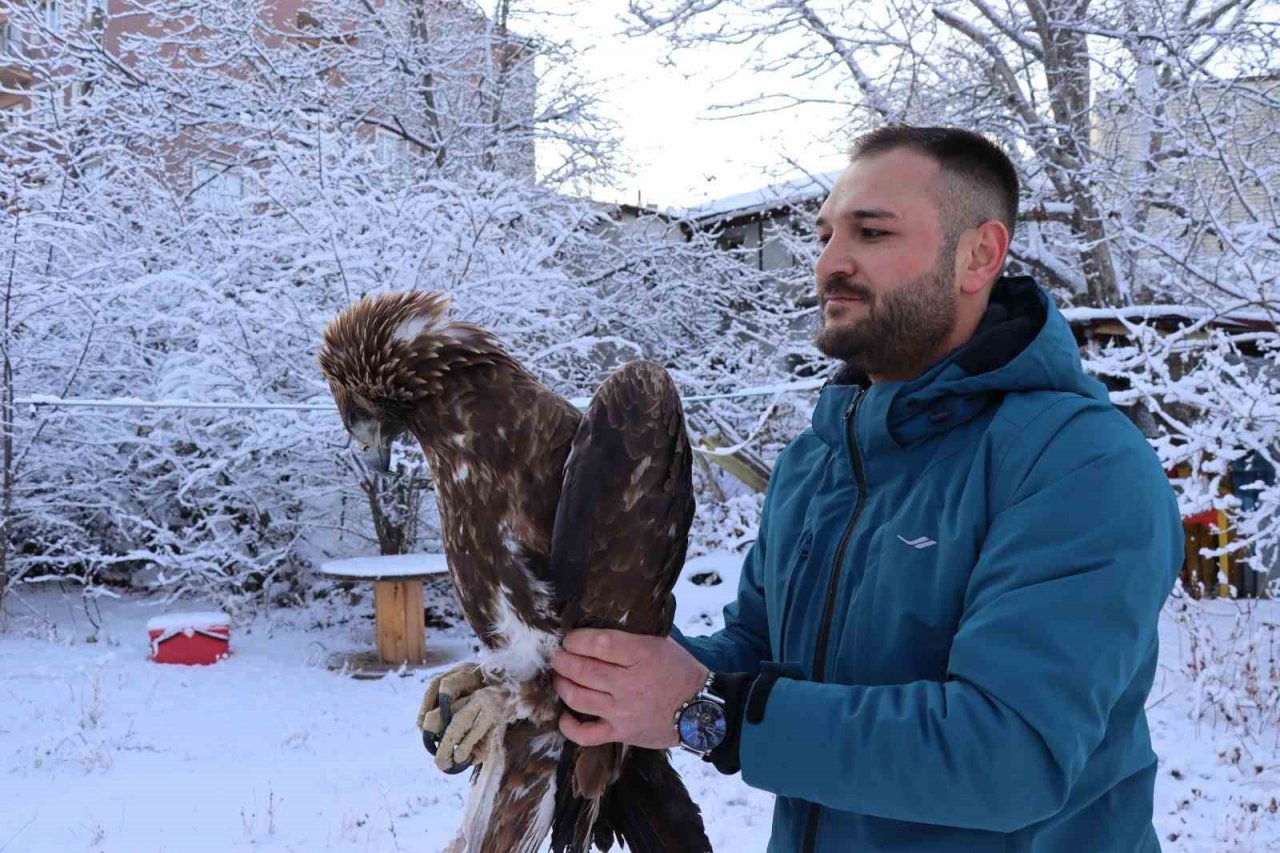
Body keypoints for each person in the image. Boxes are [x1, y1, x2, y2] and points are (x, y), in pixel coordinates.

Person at [548, 126, 1185, 852]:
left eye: (871, 232)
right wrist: (579, 666)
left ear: (979, 255)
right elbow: (754, 650)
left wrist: (709, 712)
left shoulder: (1076, 463)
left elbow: (1008, 755)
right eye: (824, 236)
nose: (829, 264)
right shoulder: (817, 462)